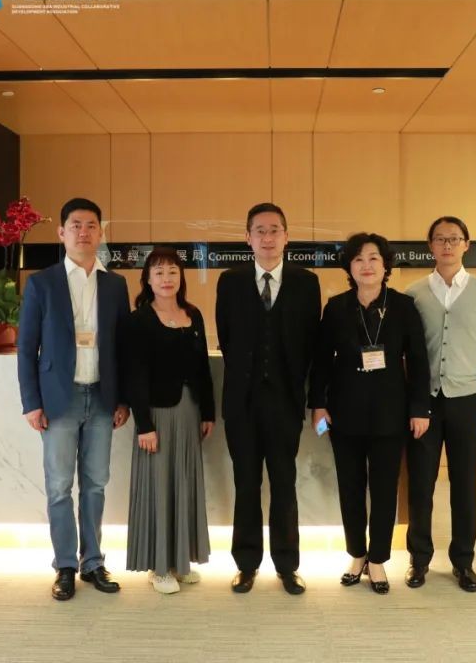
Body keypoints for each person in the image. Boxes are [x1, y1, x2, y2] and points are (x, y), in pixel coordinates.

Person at [17, 198, 131, 601]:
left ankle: (93, 562)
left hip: (101, 397)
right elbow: (26, 347)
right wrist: (31, 402)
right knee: (59, 487)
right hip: (57, 401)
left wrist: (123, 399)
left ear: (101, 233)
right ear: (61, 232)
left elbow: (123, 347)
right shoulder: (42, 283)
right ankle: (65, 565)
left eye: (91, 225)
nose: (84, 232)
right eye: (76, 225)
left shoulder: (115, 285)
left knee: (96, 484)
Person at [309, 233, 430, 594]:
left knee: (384, 489)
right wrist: (318, 405)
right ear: (349, 266)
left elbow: (418, 362)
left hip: (391, 414)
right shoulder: (336, 307)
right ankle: (356, 555)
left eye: (374, 258)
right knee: (350, 488)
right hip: (343, 414)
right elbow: (320, 362)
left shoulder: (404, 307)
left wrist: (420, 408)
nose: (366, 265)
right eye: (358, 259)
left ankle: (377, 559)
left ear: (385, 265)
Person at [216, 202, 321, 595]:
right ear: (248, 238)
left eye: (275, 229)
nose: (267, 237)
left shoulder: (306, 282)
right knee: (246, 484)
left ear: (286, 237)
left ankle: (287, 565)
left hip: (285, 402)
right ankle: (246, 564)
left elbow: (311, 342)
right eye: (259, 230)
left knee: (284, 482)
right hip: (241, 404)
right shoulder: (230, 281)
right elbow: (227, 338)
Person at [404, 216, 476, 592]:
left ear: (466, 245)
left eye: (454, 239)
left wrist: (465, 370)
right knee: (421, 484)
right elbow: (407, 349)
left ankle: (463, 562)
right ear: (430, 245)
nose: (447, 245)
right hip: (422, 402)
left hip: (466, 400)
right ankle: (419, 559)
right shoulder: (413, 293)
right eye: (440, 239)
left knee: (464, 484)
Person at [124, 247, 215, 594]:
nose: (166, 279)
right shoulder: (139, 320)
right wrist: (143, 425)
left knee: (183, 483)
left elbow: (203, 368)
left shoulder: (193, 314)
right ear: (147, 280)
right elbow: (135, 376)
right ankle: (158, 567)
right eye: (159, 272)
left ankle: (180, 561)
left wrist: (208, 412)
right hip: (157, 416)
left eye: (173, 272)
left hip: (189, 412)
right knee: (160, 487)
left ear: (181, 277)